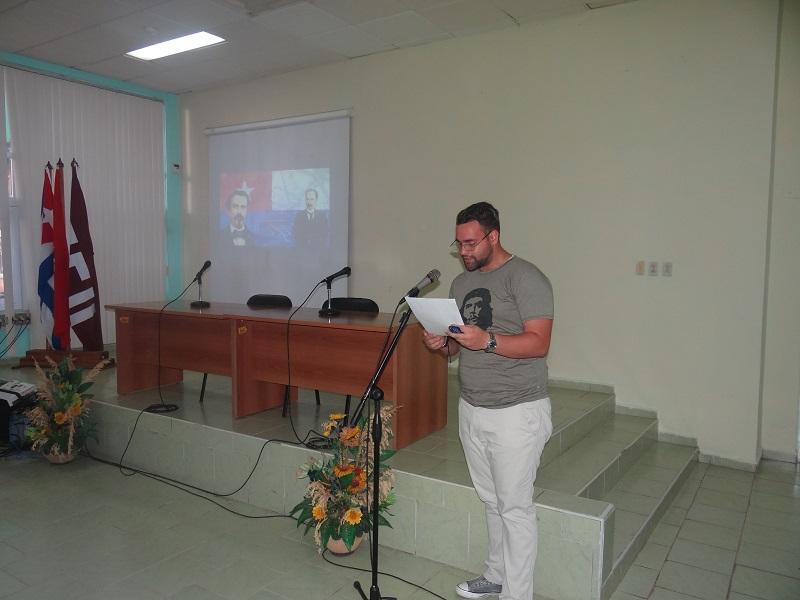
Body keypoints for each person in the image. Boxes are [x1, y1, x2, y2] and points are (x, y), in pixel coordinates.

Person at [422, 202, 554, 600]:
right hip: (472, 407)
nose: (463, 251)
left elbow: (539, 343)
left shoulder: (527, 277)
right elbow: (457, 349)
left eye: (470, 243)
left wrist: (489, 340)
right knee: (492, 501)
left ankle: (518, 594)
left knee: (515, 508)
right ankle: (496, 576)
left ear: (493, 237)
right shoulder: (461, 285)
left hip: (517, 410)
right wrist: (441, 344)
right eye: (458, 243)